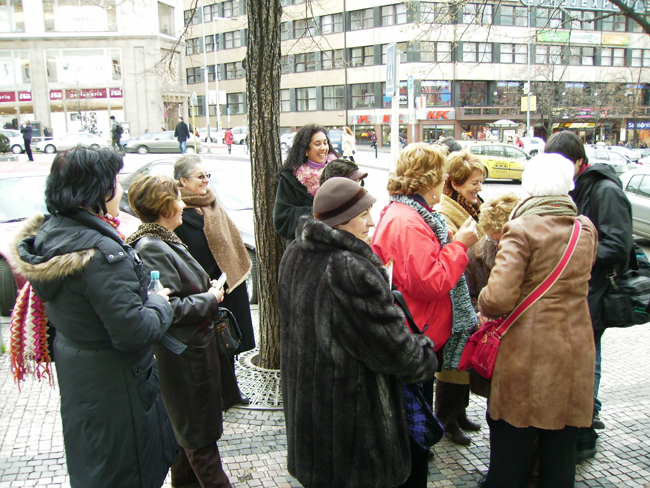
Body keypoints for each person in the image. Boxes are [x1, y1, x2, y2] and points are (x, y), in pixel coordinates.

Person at [11, 146, 178, 488]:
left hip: (84, 382)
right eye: (115, 182)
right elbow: (133, 331)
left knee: (96, 467)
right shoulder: (100, 254)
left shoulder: (53, 235)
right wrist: (160, 302)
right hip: (118, 390)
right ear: (97, 191)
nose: (120, 189)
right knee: (128, 473)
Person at [279, 177, 438, 488]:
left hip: (311, 414)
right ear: (340, 221)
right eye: (363, 215)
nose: (371, 222)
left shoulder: (295, 252)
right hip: (352, 425)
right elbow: (392, 350)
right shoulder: (349, 267)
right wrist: (424, 355)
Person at [478, 153, 598, 488]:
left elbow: (498, 298)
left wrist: (483, 299)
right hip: (575, 348)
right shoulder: (584, 228)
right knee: (560, 454)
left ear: (529, 187)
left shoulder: (520, 228)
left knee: (512, 450)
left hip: (527, 354)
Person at [372, 143, 479, 481]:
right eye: (442, 175)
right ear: (431, 179)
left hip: (416, 330)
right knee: (414, 430)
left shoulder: (406, 213)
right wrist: (460, 246)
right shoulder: (408, 221)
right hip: (416, 335)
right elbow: (431, 282)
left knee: (412, 421)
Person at [126, 174, 233, 488]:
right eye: (177, 198)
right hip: (184, 357)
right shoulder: (151, 246)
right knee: (198, 439)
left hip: (192, 352)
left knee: (188, 438)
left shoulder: (164, 240)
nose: (183, 204)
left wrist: (205, 289)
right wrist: (209, 298)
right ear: (163, 206)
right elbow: (166, 308)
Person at [546, 130, 633, 460]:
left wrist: (575, 253)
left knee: (588, 360)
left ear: (580, 162)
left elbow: (619, 245)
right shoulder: (573, 187)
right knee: (575, 360)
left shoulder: (605, 191)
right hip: (577, 289)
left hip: (596, 290)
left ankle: (585, 431)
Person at [173, 155, 255, 403]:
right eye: (200, 176)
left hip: (228, 284)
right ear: (183, 181)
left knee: (230, 343)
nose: (206, 180)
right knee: (210, 346)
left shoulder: (211, 203)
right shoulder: (176, 210)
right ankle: (216, 395)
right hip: (204, 289)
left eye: (207, 175)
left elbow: (230, 241)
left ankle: (231, 391)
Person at [432, 150, 486, 445]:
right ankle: (446, 420)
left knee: (463, 361)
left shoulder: (470, 208)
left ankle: (459, 413)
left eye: (480, 182)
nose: (479, 188)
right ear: (454, 183)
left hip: (469, 294)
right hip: (455, 297)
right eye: (473, 183)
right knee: (452, 365)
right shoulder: (446, 214)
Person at [273, 124, 339, 243]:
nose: (323, 148)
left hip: (338, 244)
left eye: (325, 143)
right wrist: (317, 212)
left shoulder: (341, 171)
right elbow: (282, 220)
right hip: (306, 248)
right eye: (317, 144)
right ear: (306, 150)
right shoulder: (290, 178)